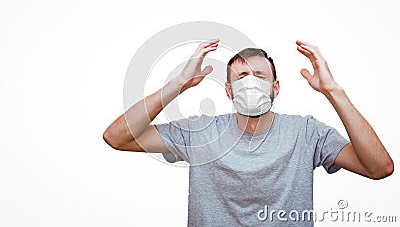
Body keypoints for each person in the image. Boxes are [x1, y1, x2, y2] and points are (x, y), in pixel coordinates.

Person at [103, 39, 394, 226]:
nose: (251, 82)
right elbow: (117, 137)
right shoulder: (199, 132)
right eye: (242, 77)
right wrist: (179, 83)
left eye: (260, 75)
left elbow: (379, 167)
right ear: (229, 91)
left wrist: (334, 92)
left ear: (275, 88)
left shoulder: (306, 132)